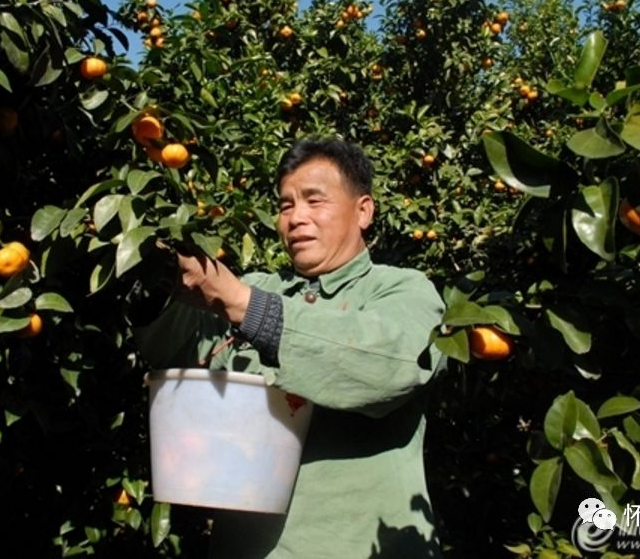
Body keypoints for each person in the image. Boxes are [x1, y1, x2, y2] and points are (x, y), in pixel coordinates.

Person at [134, 138, 447, 558]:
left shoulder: (404, 290)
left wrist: (243, 305)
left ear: (364, 210)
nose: (296, 217)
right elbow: (176, 355)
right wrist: (151, 281)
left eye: (314, 201)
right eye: (285, 206)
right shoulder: (262, 287)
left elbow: (391, 365)